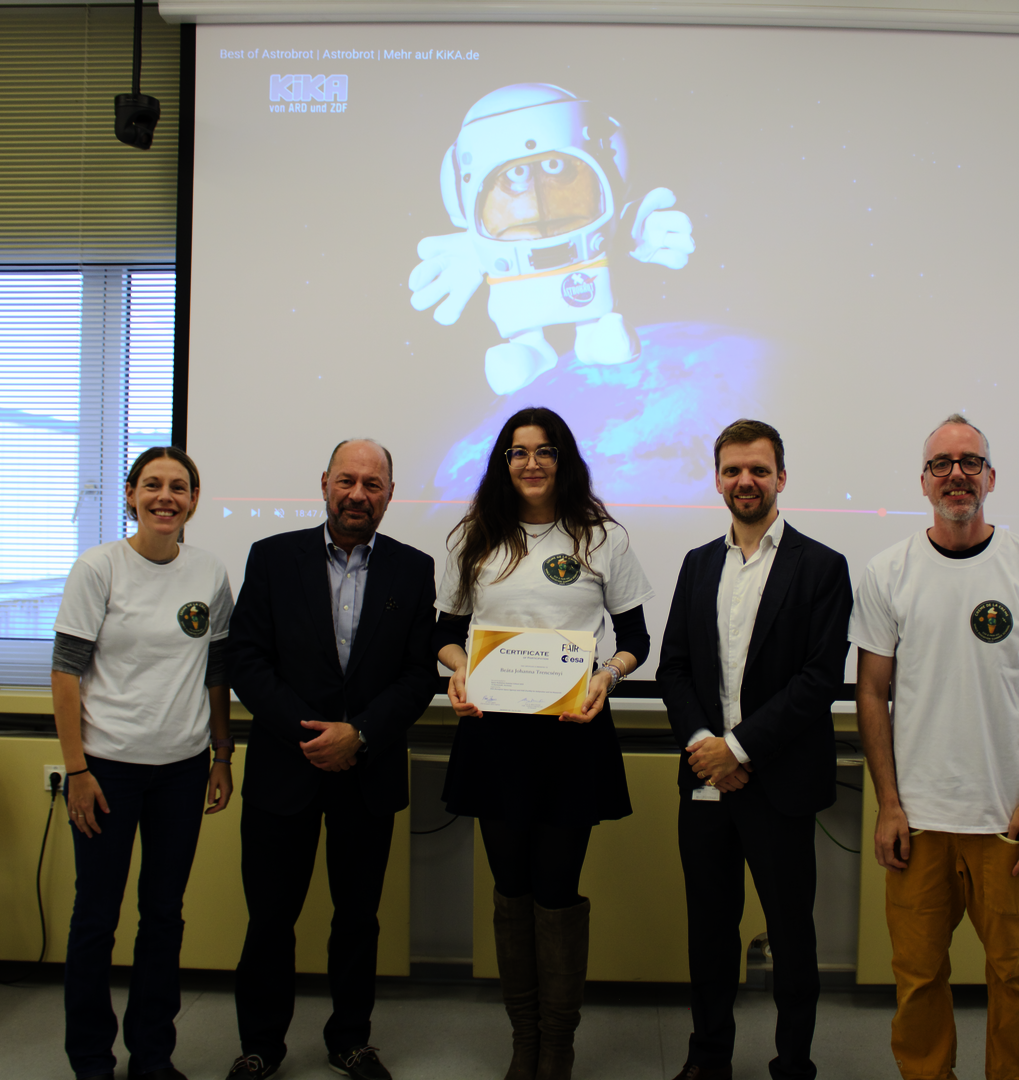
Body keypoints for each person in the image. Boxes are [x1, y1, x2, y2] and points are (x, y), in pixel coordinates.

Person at [849, 414, 1019, 1080]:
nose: (957, 474)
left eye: (970, 462)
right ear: (923, 481)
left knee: (1017, 975)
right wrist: (888, 804)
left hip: (1005, 821)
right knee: (918, 975)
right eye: (942, 464)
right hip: (918, 821)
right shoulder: (888, 572)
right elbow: (871, 692)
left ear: (991, 477)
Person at [435, 406, 654, 1080]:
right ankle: (523, 1040)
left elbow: (635, 639)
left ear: (564, 460)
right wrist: (459, 669)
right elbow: (442, 634)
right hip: (494, 738)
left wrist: (606, 677)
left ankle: (557, 1045)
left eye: (544, 450)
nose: (531, 463)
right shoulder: (475, 538)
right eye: (518, 451)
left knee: (556, 889)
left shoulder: (601, 537)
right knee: (511, 886)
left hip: (570, 738)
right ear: (503, 462)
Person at [223, 439, 437, 1080]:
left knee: (358, 919)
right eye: (347, 480)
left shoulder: (413, 568)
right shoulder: (271, 557)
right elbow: (246, 660)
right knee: (269, 918)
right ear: (324, 484)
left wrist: (360, 734)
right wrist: (315, 735)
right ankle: (261, 1045)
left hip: (368, 774)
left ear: (390, 495)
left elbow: (418, 674)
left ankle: (350, 1040)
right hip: (283, 769)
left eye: (373, 484)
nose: (357, 494)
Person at [657, 419, 853, 1080]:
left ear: (781, 479)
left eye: (759, 470)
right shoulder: (697, 564)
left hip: (780, 785)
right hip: (705, 783)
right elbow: (674, 669)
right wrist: (705, 749)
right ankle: (708, 1057)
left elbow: (819, 680)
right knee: (709, 932)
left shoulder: (822, 567)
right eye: (733, 470)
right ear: (718, 480)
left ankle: (793, 1064)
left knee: (791, 935)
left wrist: (737, 750)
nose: (746, 481)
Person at [51, 446, 236, 1080]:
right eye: (152, 485)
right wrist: (77, 771)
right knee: (96, 918)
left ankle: (153, 1056)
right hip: (106, 772)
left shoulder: (208, 572)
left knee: (163, 916)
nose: (165, 497)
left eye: (179, 487)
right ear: (131, 495)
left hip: (182, 770)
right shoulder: (98, 568)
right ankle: (91, 1060)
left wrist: (221, 754)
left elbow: (216, 671)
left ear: (194, 500)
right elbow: (65, 674)